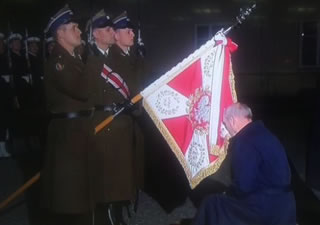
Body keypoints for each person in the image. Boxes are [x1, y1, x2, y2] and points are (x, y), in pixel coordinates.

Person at [192, 102, 296, 225]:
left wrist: (227, 193)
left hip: (267, 209)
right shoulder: (264, 133)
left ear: (233, 121)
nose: (226, 129)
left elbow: (243, 186)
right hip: (286, 206)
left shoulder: (244, 141)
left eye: (225, 124)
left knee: (212, 203)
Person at [41, 5, 93, 225]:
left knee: (82, 191)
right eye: (74, 27)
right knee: (69, 196)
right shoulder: (58, 63)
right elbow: (81, 90)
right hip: (67, 135)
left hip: (79, 131)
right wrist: (96, 59)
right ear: (60, 33)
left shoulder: (74, 58)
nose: (80, 31)